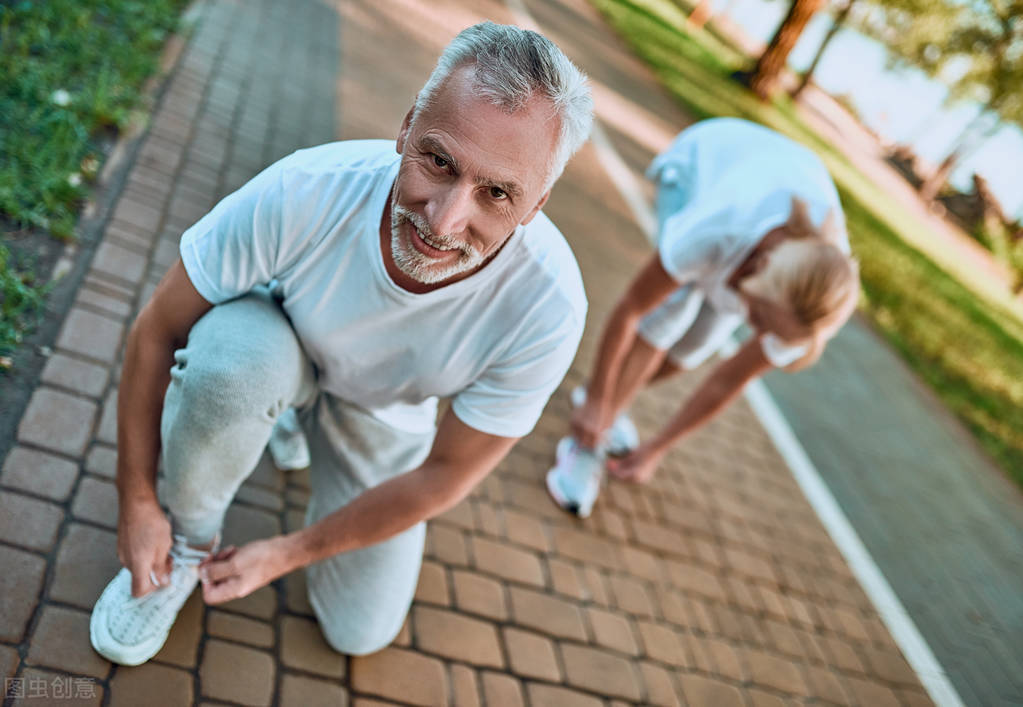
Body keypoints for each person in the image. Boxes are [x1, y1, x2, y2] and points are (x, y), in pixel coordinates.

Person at [90, 21, 593, 666]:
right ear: (407, 126)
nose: (444, 222)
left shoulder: (549, 308)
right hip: (285, 344)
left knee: (359, 631)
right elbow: (157, 328)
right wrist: (135, 497)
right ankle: (187, 545)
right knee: (229, 367)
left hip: (385, 411)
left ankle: (297, 429)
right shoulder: (307, 188)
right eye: (439, 161)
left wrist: (288, 550)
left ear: (535, 207)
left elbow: (445, 475)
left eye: (496, 193)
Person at [547, 117, 859, 518]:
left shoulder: (810, 310)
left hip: (765, 209)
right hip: (702, 166)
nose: (759, 334)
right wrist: (597, 404)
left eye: (768, 329)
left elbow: (728, 378)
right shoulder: (720, 226)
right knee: (672, 311)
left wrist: (656, 448)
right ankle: (586, 442)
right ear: (758, 271)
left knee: (698, 344)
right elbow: (632, 310)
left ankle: (608, 402)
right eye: (759, 318)